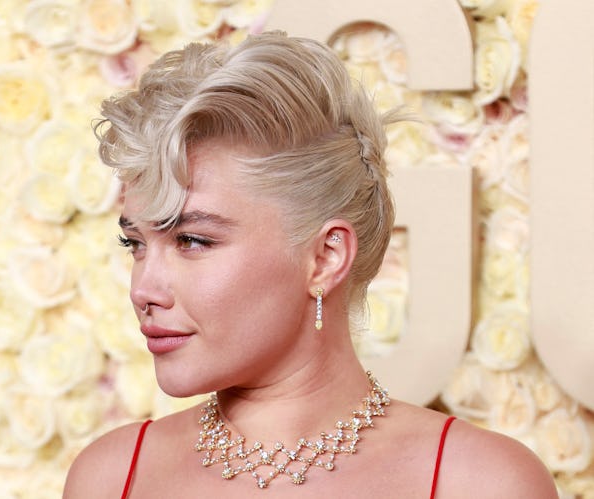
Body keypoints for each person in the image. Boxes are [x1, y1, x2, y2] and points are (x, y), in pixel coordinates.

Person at [63, 31, 558, 498]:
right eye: (136, 244)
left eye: (192, 240)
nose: (144, 289)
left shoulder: (481, 482)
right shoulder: (108, 478)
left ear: (325, 257)